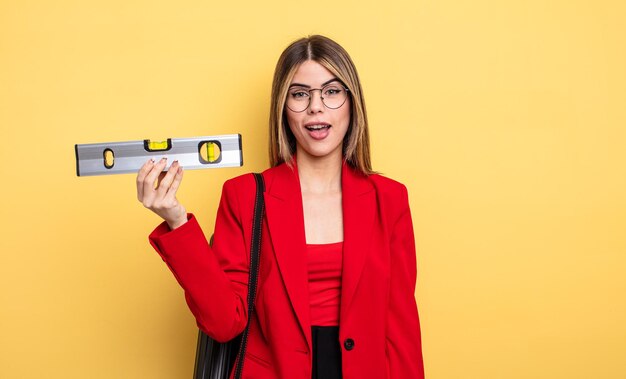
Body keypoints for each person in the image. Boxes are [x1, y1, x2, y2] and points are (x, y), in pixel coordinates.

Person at [136, 35, 424, 379]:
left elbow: (401, 329)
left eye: (331, 92)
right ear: (283, 108)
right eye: (300, 94)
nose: (316, 106)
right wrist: (177, 222)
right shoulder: (244, 196)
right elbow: (224, 322)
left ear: (352, 102)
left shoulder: (388, 199)